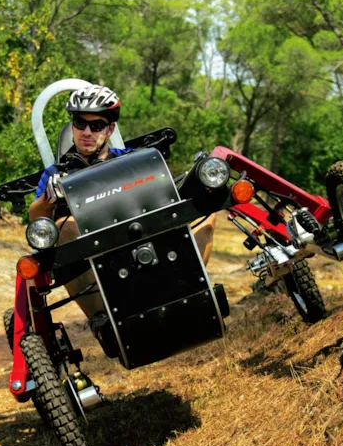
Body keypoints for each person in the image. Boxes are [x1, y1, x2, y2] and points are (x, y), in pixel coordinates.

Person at [28, 85, 217, 333]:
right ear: (72, 126)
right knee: (64, 229)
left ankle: (191, 286)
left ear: (110, 129)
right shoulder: (55, 173)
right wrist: (48, 199)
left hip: (141, 237)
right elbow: (36, 222)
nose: (86, 132)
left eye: (96, 126)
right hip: (93, 258)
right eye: (79, 123)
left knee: (208, 207)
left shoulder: (132, 159)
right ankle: (99, 317)